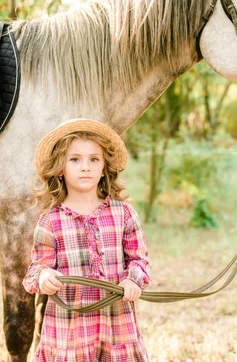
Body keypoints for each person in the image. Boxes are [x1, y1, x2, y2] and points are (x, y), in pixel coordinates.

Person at [23, 118, 151, 361]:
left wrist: (132, 280)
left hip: (116, 326)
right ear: (60, 168)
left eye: (94, 159)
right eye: (75, 159)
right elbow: (34, 271)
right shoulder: (50, 221)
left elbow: (139, 260)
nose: (85, 167)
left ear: (104, 168)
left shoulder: (123, 214)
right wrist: (44, 276)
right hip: (68, 332)